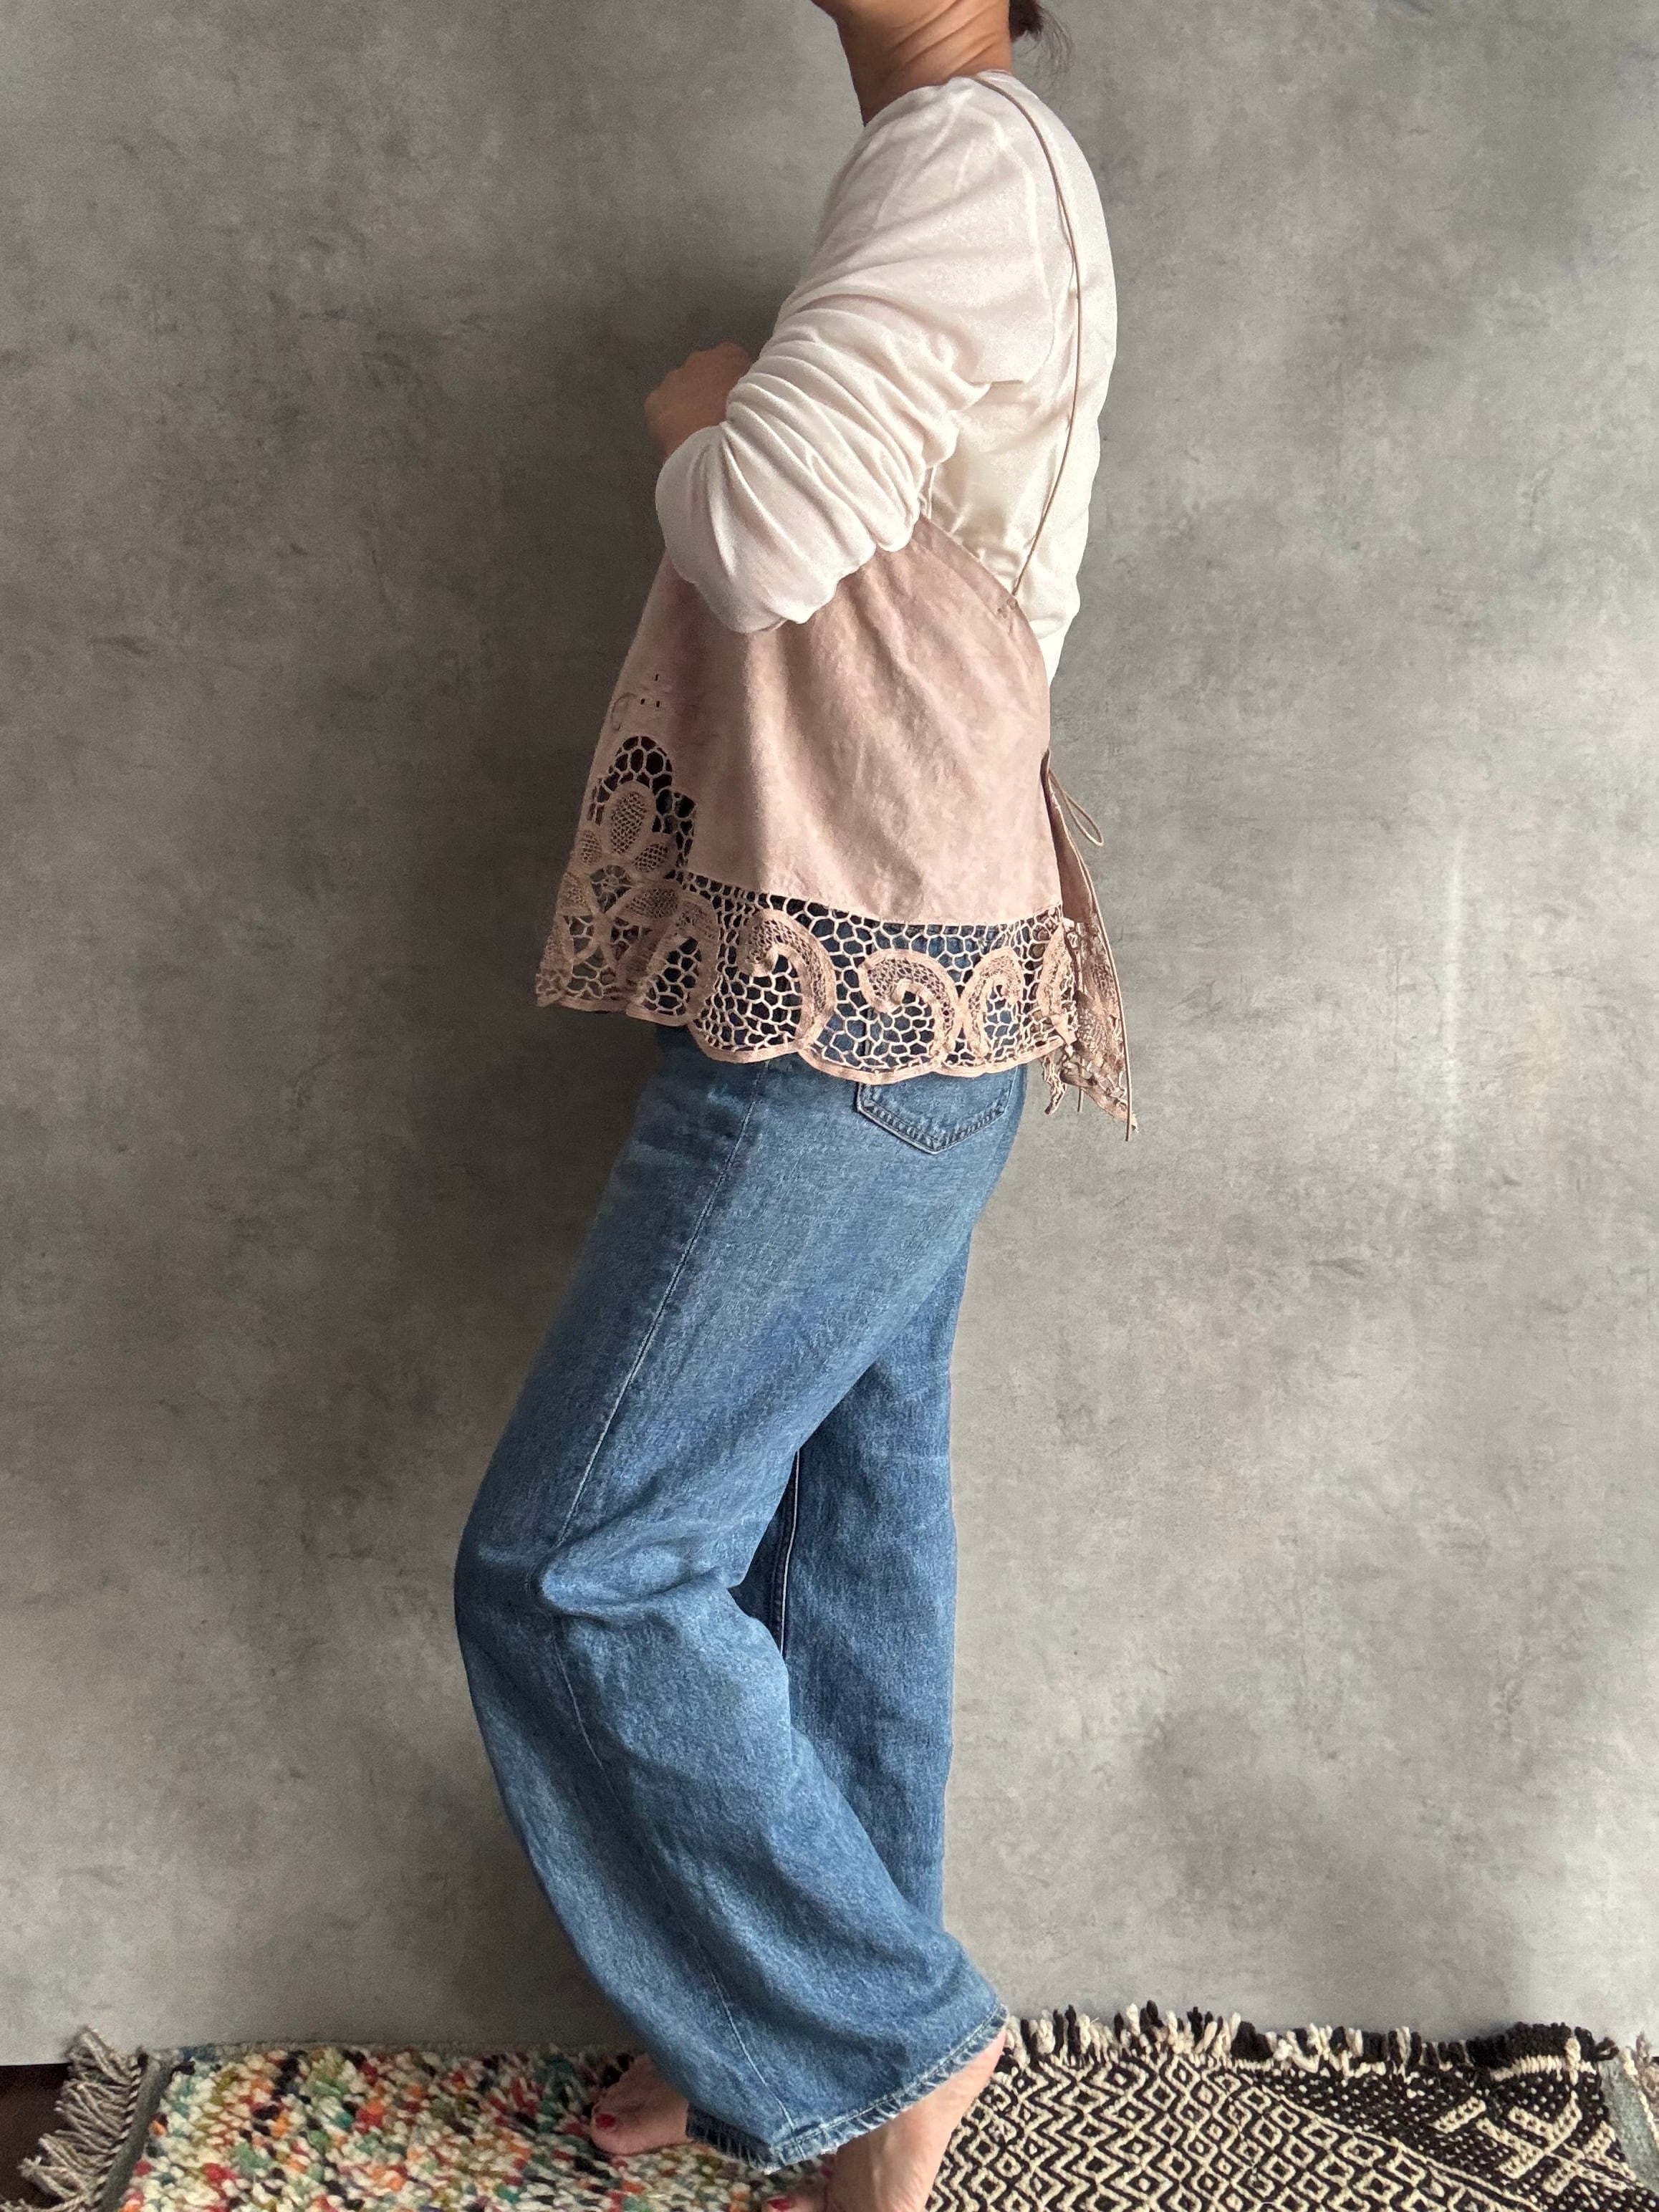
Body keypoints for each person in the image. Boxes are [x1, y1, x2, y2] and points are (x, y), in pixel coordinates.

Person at [453, 2, 1124, 2206]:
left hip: (861, 974)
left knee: (573, 1568)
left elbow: (755, 530)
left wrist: (701, 407)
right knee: (848, 1506)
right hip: (926, 963)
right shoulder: (984, 165)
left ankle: (876, 2038)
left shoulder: (957, 158)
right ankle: (804, 2049)